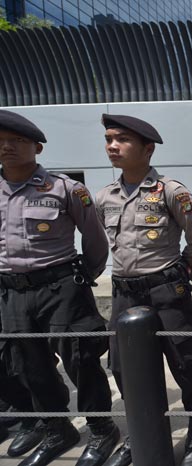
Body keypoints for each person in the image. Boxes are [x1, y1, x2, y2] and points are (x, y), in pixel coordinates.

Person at [0, 109, 119, 466]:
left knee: (81, 360)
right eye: (1, 141)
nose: (7, 147)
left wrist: (80, 278)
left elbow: (95, 241)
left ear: (37, 147)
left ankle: (101, 429)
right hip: (11, 292)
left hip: (60, 287)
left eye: (17, 140)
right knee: (27, 365)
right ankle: (57, 428)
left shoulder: (65, 189)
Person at [94, 114, 192, 466]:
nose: (112, 146)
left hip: (165, 290)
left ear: (147, 149)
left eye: (122, 139)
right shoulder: (104, 197)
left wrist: (183, 269)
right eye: (109, 139)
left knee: (185, 359)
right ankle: (139, 431)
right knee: (123, 365)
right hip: (125, 293)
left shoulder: (171, 191)